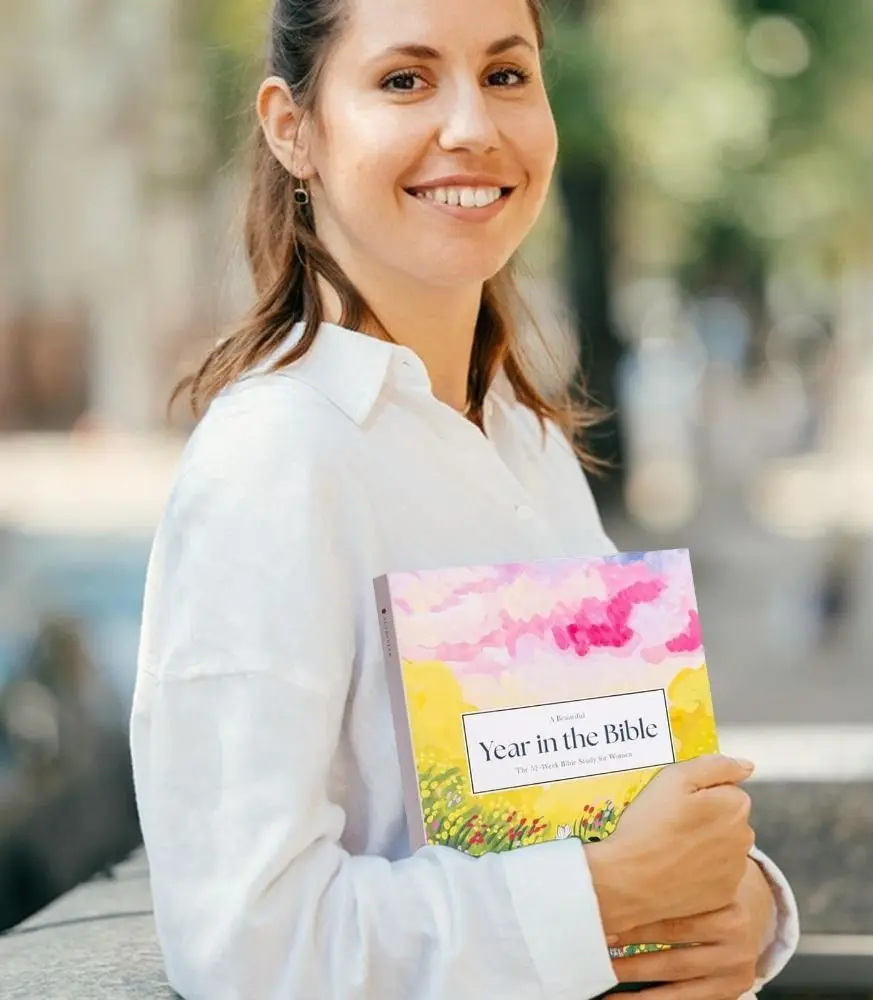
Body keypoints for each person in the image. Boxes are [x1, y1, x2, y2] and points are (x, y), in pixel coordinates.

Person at [129, 1, 800, 997]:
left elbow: (619, 799)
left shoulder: (527, 445)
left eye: (505, 74)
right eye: (404, 80)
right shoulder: (276, 461)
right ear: (292, 128)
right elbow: (244, 943)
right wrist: (602, 898)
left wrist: (741, 904)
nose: (472, 126)